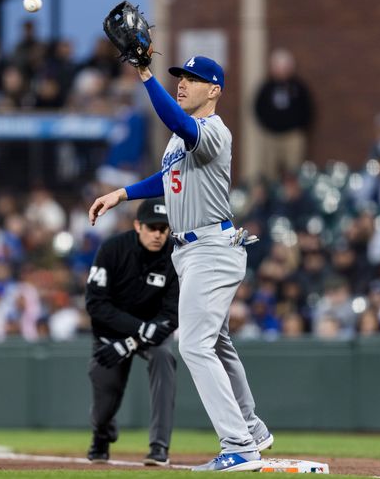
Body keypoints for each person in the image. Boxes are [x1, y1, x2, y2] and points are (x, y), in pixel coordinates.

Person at [88, 55, 273, 472]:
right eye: (180, 77)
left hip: (210, 246)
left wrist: (146, 75)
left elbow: (179, 123)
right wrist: (122, 193)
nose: (183, 83)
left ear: (215, 90)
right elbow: (168, 178)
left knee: (193, 344)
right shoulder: (181, 143)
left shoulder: (213, 130)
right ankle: (252, 428)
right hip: (190, 250)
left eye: (193, 79)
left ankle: (239, 446)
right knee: (217, 343)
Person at [85, 198, 178, 467]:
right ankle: (102, 434)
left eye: (163, 228)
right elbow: (95, 304)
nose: (158, 234)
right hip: (111, 334)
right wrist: (135, 332)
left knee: (164, 359)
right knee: (103, 405)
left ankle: (159, 446)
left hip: (153, 336)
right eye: (152, 227)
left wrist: (135, 340)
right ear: (138, 226)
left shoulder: (175, 255)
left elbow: (173, 314)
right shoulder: (113, 249)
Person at [254, 48, 314, 179]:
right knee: (269, 172)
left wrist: (300, 127)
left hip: (292, 136)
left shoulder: (298, 87)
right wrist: (267, 125)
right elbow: (258, 107)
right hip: (271, 136)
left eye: (284, 67)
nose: (281, 71)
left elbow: (307, 109)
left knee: (293, 171)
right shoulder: (267, 87)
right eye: (277, 67)